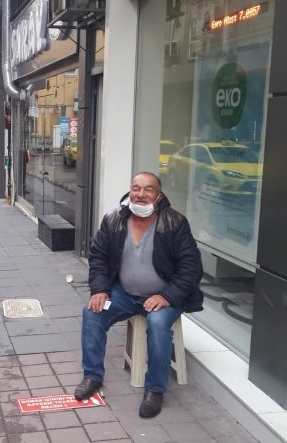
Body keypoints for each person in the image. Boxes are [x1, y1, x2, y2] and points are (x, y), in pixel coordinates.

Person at [74, 172, 203, 418]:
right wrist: (100, 289)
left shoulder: (174, 222)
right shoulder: (113, 220)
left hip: (162, 297)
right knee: (92, 312)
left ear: (159, 195)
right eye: (136, 188)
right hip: (122, 294)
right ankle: (92, 376)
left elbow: (191, 267)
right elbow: (98, 257)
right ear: (130, 191)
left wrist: (167, 296)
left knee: (156, 323)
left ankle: (155, 389)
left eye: (148, 189)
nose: (141, 194)